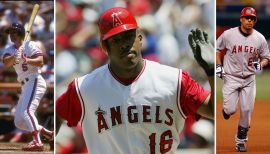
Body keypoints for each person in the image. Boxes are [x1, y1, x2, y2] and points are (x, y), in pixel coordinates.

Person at [56, 7, 214, 153]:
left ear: (140, 38)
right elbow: (55, 115)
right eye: (116, 40)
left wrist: (213, 71)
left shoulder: (174, 80)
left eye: (128, 36)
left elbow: (215, 111)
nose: (124, 44)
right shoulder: (84, 88)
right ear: (104, 47)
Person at [216, 7, 270, 152]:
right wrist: (218, 66)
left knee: (246, 110)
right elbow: (216, 49)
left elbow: (266, 57)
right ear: (241, 19)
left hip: (249, 79)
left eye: (252, 19)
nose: (249, 21)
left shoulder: (259, 38)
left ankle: (241, 140)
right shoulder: (229, 34)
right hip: (231, 77)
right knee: (230, 109)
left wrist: (262, 63)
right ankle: (227, 111)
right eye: (247, 18)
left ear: (255, 21)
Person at [2, 23, 53, 151]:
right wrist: (15, 56)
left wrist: (26, 60)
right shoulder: (10, 48)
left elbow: (40, 62)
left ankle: (37, 141)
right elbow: (6, 64)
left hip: (34, 80)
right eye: (10, 32)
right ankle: (49, 134)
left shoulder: (30, 45)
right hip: (24, 85)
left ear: (20, 33)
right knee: (19, 121)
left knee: (27, 111)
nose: (11, 35)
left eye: (14, 32)